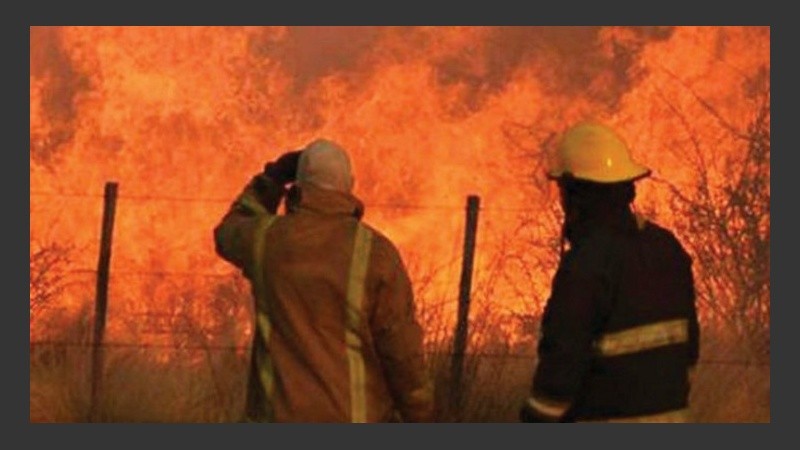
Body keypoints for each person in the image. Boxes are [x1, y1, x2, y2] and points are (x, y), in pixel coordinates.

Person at [213, 138, 434, 423]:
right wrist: (421, 414)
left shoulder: (266, 239)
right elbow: (402, 353)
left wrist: (272, 180)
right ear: (350, 185)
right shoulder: (376, 253)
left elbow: (228, 231)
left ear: (298, 187)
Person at [519, 121, 700, 423]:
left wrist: (536, 419)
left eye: (564, 191)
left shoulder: (587, 265)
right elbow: (689, 349)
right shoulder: (667, 248)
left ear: (576, 194)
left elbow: (562, 362)